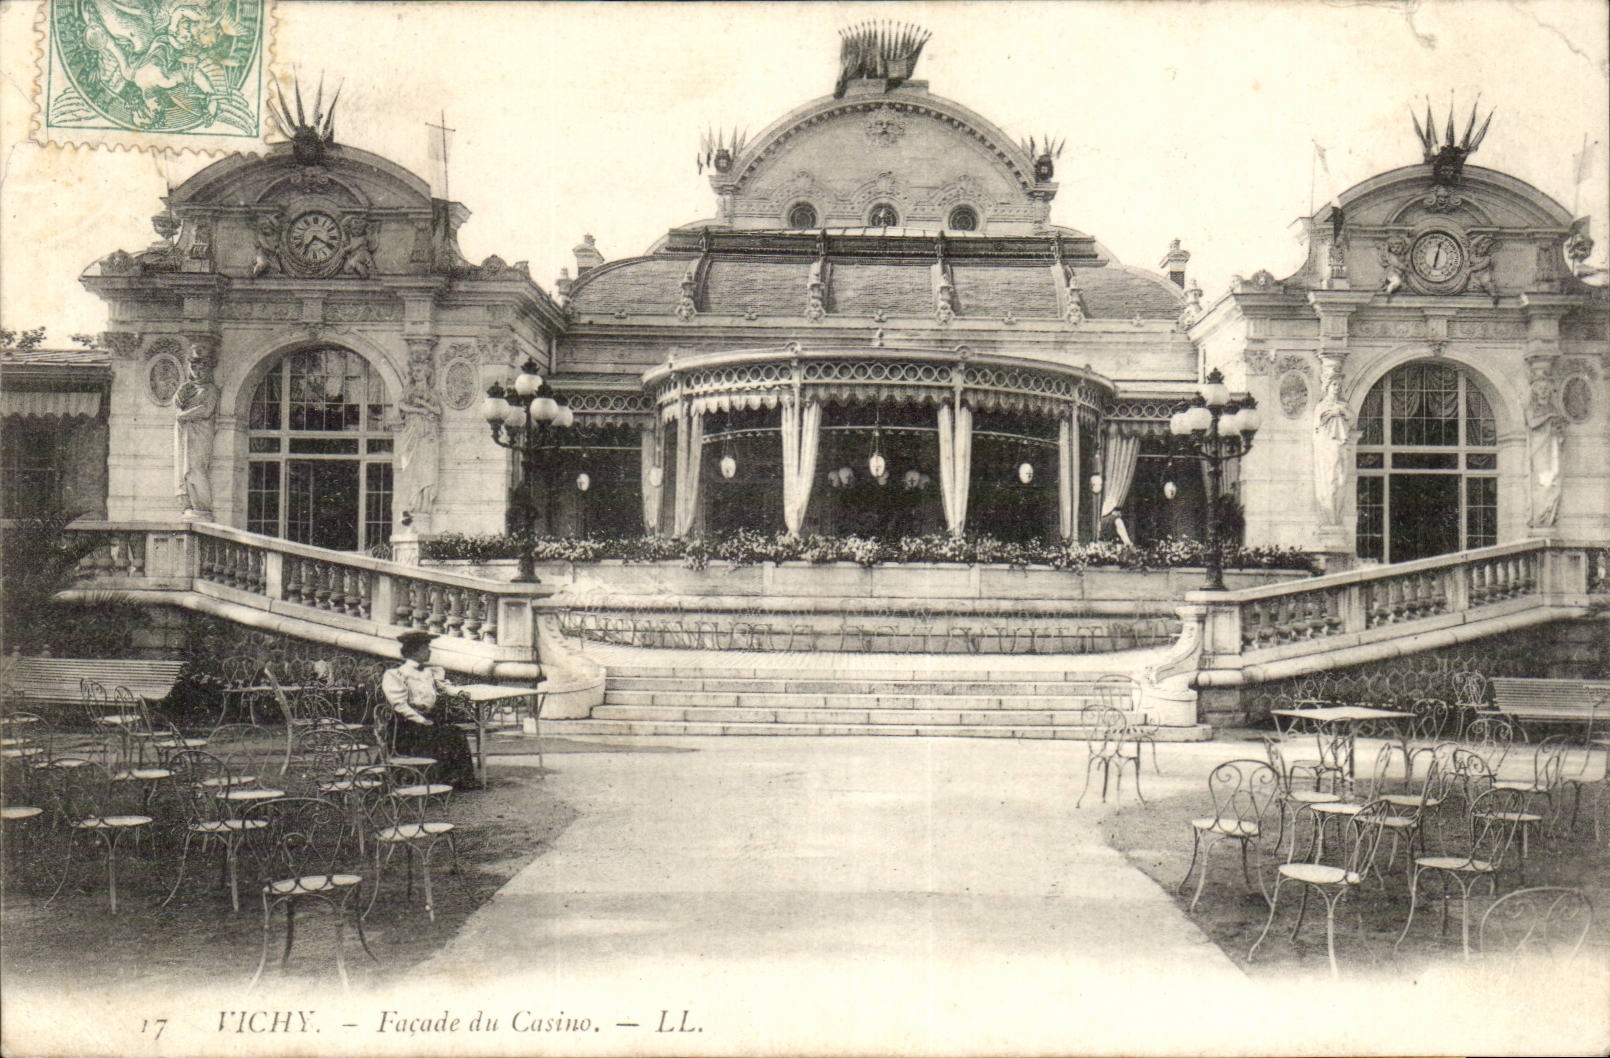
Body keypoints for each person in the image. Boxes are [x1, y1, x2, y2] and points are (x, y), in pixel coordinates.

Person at [381, 631, 479, 789]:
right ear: (414, 651)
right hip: (407, 724)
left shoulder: (430, 672)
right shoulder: (396, 674)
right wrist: (421, 720)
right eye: (425, 648)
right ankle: (437, 778)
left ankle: (458, 779)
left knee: (456, 733)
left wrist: (459, 692)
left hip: (429, 718)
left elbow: (444, 687)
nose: (429, 651)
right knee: (441, 735)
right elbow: (399, 704)